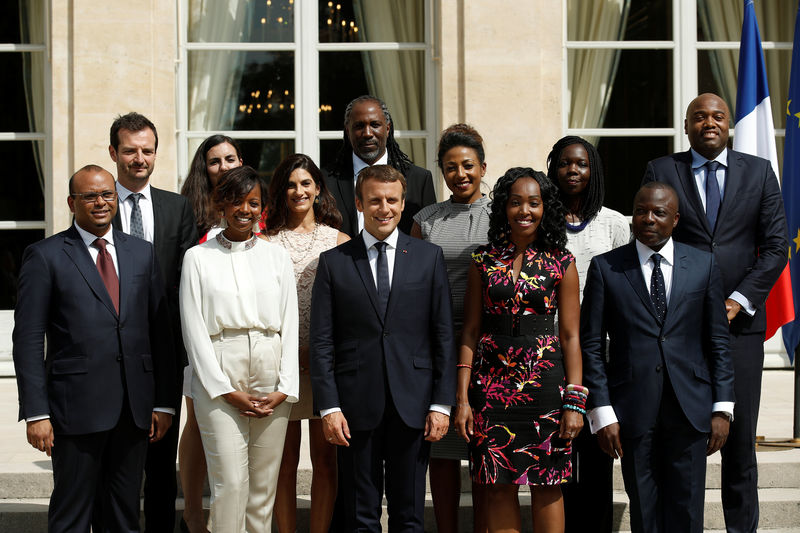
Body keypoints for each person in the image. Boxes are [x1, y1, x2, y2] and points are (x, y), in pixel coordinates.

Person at [641, 93, 789, 533]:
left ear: (729, 125)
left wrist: (737, 301)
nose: (710, 122)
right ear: (686, 127)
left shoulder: (759, 172)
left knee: (740, 445)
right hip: (680, 329)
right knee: (683, 441)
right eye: (699, 117)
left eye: (718, 116)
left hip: (740, 329)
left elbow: (776, 246)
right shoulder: (663, 170)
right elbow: (651, 239)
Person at [12, 165, 176, 531]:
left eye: (107, 194)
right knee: (72, 515)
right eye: (90, 196)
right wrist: (36, 412)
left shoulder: (142, 253)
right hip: (74, 410)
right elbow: (27, 339)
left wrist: (164, 401)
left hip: (134, 411)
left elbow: (159, 334)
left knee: (124, 516)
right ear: (72, 202)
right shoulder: (45, 255)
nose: (101, 202)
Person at [581, 182, 735, 532]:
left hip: (691, 407)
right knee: (645, 512)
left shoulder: (703, 265)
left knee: (687, 510)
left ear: (675, 219)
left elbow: (718, 342)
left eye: (659, 213)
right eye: (640, 211)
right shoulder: (606, 268)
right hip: (632, 409)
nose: (648, 219)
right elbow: (591, 344)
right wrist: (602, 412)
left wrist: (723, 407)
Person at [310, 164, 456, 531]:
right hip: (355, 406)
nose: (384, 208)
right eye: (375, 200)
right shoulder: (333, 263)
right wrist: (328, 406)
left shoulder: (428, 257)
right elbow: (322, 341)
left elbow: (443, 336)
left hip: (415, 404)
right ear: (359, 203)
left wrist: (441, 404)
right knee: (361, 516)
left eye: (392, 200)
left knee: (410, 516)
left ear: (403, 203)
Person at [455, 168, 584, 533]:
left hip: (546, 388)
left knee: (547, 486)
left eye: (533, 202)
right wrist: (463, 398)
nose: (523, 210)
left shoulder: (562, 262)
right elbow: (470, 330)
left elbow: (571, 335)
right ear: (504, 208)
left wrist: (574, 403)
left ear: (546, 208)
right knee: (496, 487)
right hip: (490, 387)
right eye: (515, 202)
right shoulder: (483, 260)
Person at [180, 165, 299, 532]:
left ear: (262, 207)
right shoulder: (197, 258)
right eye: (236, 202)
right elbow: (193, 330)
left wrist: (285, 387)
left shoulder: (277, 257)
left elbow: (290, 323)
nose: (244, 210)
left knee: (263, 488)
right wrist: (224, 389)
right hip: (220, 366)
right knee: (230, 484)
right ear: (221, 204)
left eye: (253, 203)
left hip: (270, 363)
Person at [108, 112, 198, 532]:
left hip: (161, 349)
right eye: (130, 150)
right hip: (109, 353)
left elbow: (184, 279)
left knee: (161, 466)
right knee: (116, 464)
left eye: (147, 150)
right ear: (114, 153)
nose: (139, 158)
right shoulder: (99, 203)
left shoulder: (177, 207)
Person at [546, 135, 630, 533]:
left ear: (593, 170)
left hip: (600, 353)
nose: (573, 170)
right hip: (549, 351)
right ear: (553, 169)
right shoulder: (541, 220)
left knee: (595, 455)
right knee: (556, 454)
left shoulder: (614, 223)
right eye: (564, 163)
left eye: (581, 163)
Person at [411, 123, 491, 533]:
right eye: (450, 167)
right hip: (439, 343)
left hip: (490, 346)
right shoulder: (426, 219)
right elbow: (413, 282)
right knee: (440, 448)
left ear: (482, 166)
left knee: (482, 448)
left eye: (467, 165)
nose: (460, 175)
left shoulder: (503, 214)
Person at [263, 154, 349, 533]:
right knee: (282, 461)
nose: (299, 191)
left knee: (325, 460)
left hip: (323, 364)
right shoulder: (263, 242)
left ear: (317, 188)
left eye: (305, 183)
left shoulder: (340, 240)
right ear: (281, 191)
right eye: (291, 184)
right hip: (279, 364)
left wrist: (322, 354)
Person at [178, 134, 243, 532]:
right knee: (200, 422)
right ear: (204, 168)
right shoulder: (190, 212)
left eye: (230, 158)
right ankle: (191, 511)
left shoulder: (256, 207)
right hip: (202, 333)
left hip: (249, 340)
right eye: (214, 161)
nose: (223, 167)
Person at [325, 94, 436, 237]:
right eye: (359, 126)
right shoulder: (326, 181)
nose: (367, 133)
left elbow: (428, 240)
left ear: (388, 128)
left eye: (375, 125)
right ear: (348, 130)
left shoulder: (420, 180)